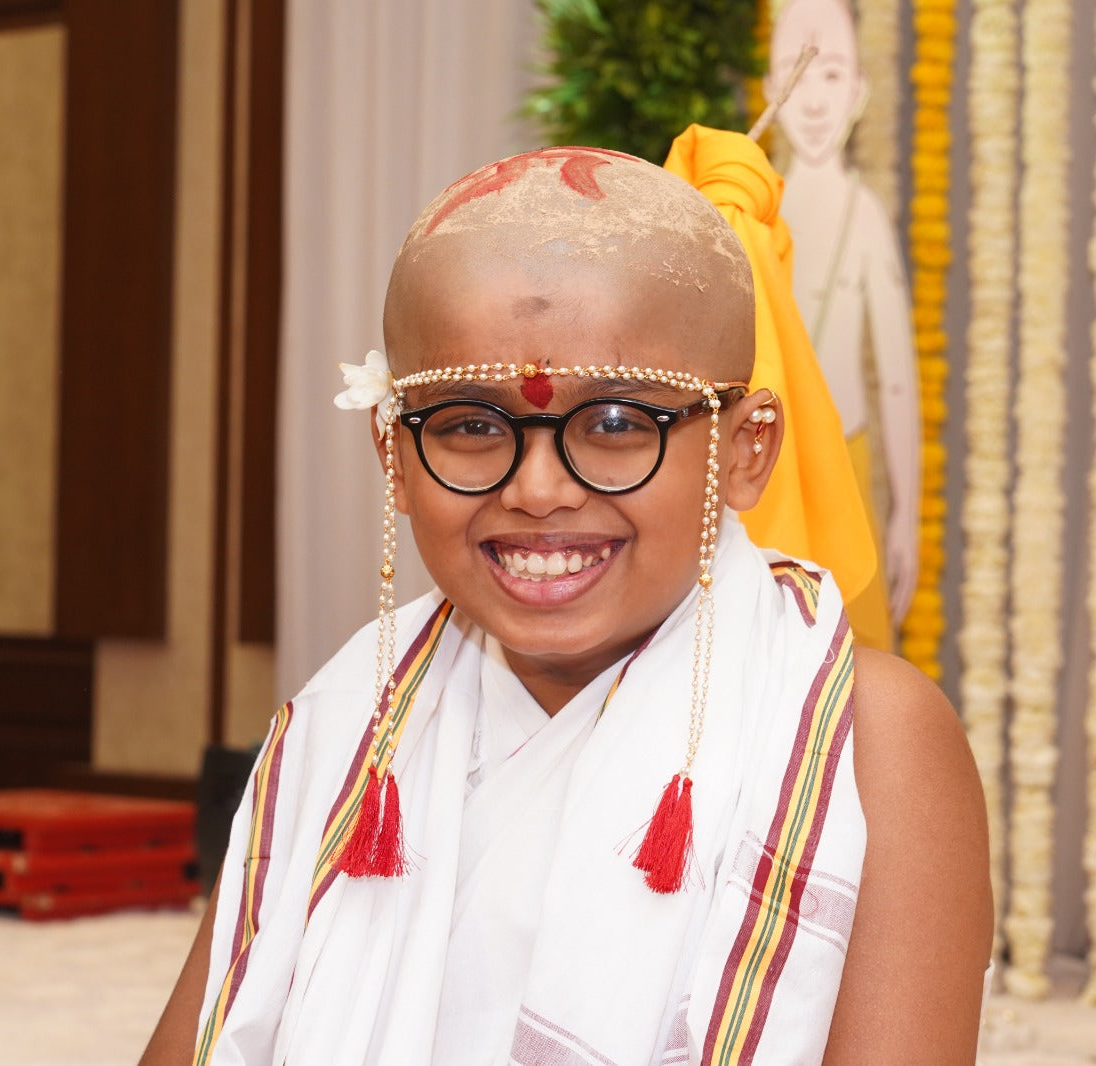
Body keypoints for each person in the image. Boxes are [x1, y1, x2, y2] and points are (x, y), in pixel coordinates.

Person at [141, 145, 988, 1065]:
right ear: (394, 453)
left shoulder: (869, 734)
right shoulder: (340, 727)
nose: (538, 488)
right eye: (469, 424)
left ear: (747, 450)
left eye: (618, 423)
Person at [769, 0, 923, 637]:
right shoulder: (749, 211)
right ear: (771, 89)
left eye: (830, 74)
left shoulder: (865, 217)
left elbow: (895, 377)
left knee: (854, 667)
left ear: (857, 91)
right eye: (797, 74)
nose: (812, 100)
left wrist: (906, 513)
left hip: (845, 468)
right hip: (762, 471)